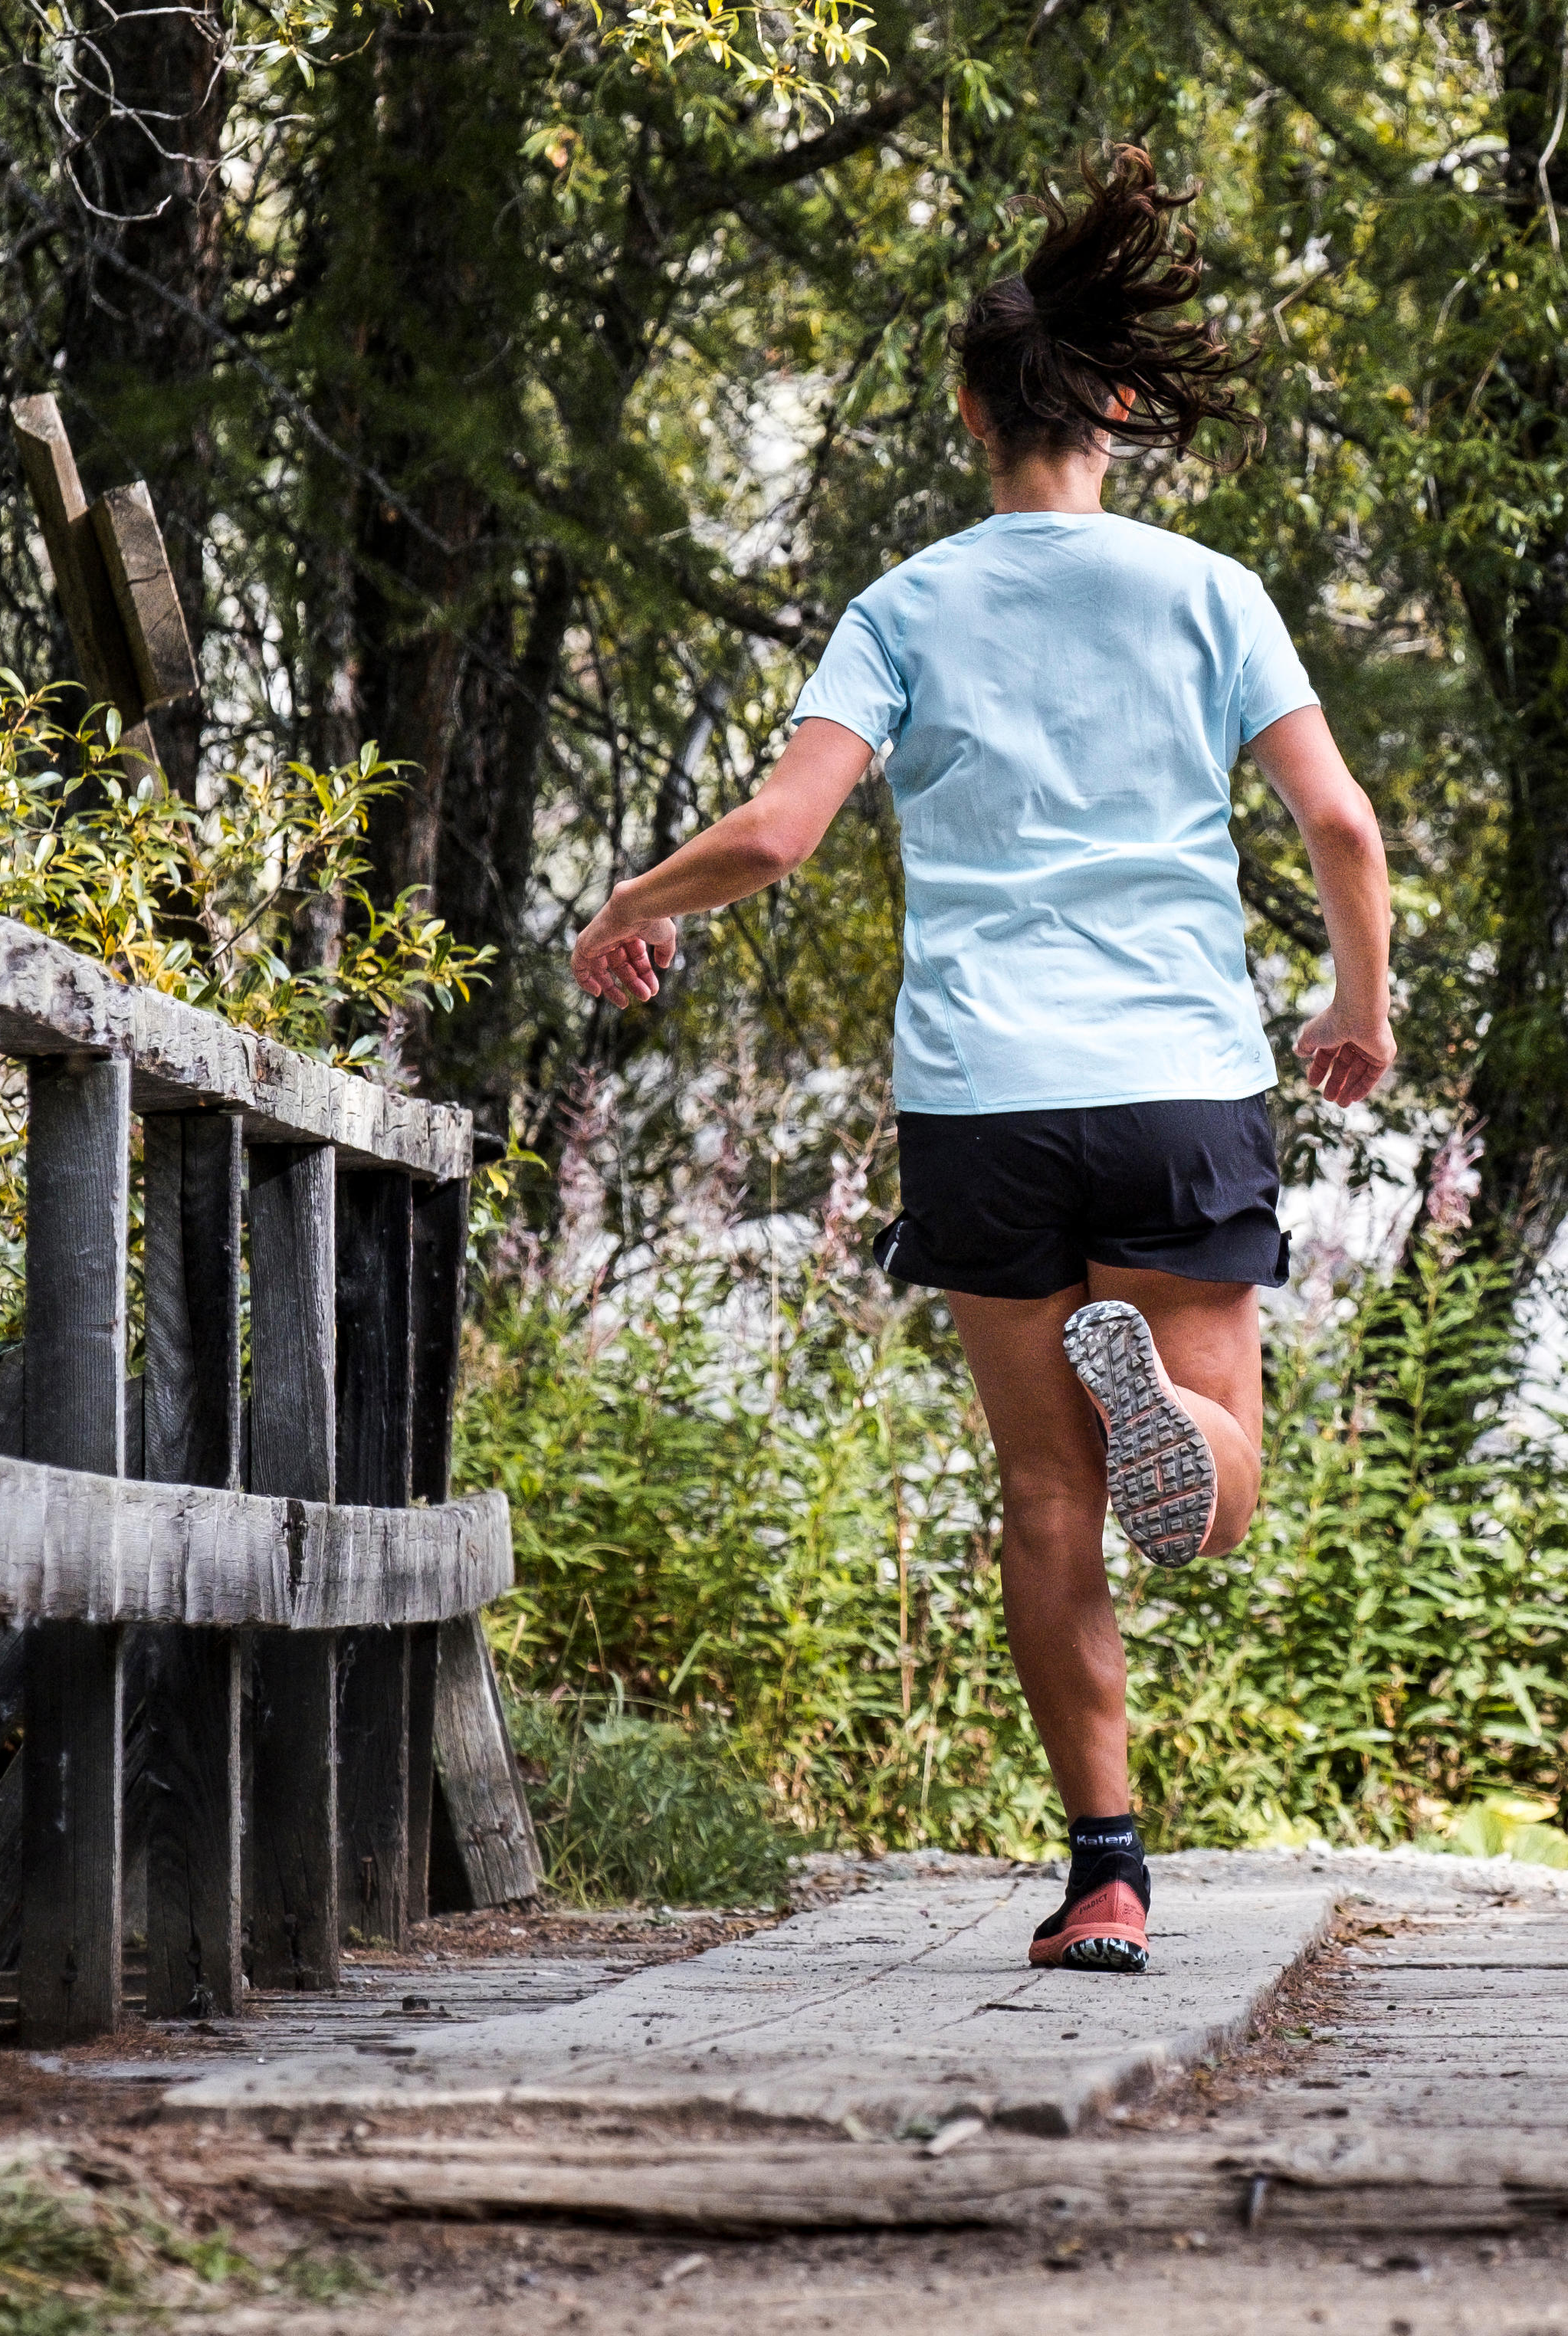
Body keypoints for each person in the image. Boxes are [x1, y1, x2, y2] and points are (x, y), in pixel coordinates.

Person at [568, 147, 1396, 1979]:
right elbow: (1340, 823)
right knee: (1216, 1486)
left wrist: (633, 899)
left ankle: (1105, 1873)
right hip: (1176, 1072)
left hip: (980, 1102)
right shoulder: (1209, 591)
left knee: (1045, 1503)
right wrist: (1358, 1007)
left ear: (966, 414)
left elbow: (780, 835)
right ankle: (1163, 1411)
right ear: (1117, 404)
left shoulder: (906, 606)